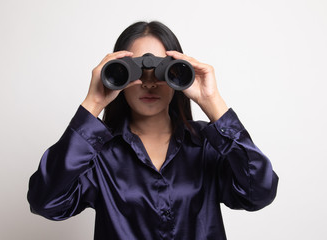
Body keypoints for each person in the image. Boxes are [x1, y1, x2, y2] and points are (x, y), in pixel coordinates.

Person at [27, 21, 278, 240]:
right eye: (135, 71)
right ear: (118, 75)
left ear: (178, 74)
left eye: (162, 70)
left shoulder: (206, 145)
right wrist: (92, 104)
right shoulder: (98, 152)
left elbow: (260, 192)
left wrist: (212, 103)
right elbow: (46, 202)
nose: (149, 82)